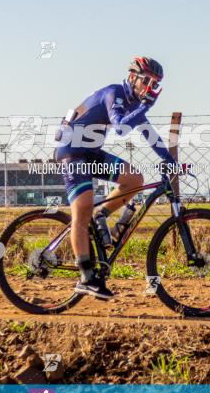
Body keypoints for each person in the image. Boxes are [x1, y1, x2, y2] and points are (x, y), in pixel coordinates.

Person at [54, 56, 177, 299]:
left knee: (134, 180)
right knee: (83, 210)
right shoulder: (114, 93)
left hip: (91, 152)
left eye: (155, 83)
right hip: (71, 153)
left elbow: (150, 135)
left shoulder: (134, 103)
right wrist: (145, 107)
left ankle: (102, 216)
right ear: (132, 77)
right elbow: (120, 127)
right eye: (147, 80)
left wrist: (171, 162)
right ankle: (86, 278)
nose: (149, 87)